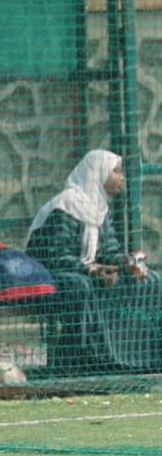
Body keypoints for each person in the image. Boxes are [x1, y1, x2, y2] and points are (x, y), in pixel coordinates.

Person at [24, 149, 162, 375]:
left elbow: (108, 249)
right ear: (98, 173)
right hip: (52, 274)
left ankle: (139, 359)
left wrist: (126, 262)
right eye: (116, 171)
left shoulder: (100, 208)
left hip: (85, 271)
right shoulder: (65, 205)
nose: (122, 177)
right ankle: (86, 362)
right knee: (82, 286)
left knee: (152, 281)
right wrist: (94, 271)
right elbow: (56, 256)